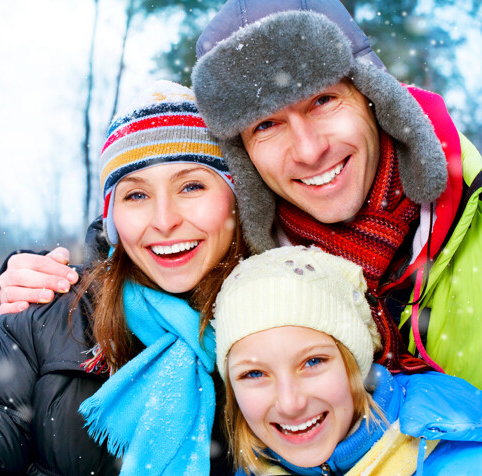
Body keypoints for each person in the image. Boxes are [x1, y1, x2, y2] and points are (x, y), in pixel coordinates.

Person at [0, 80, 247, 475]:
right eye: (136, 195)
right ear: (112, 221)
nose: (164, 221)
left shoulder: (280, 320)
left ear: (236, 197)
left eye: (191, 186)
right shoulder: (45, 319)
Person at [191, 0, 482, 385]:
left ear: (374, 96)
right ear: (243, 160)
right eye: (266, 124)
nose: (310, 150)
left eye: (323, 100)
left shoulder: (471, 214)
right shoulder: (234, 275)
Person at [212, 246, 482, 475]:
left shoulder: (463, 458)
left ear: (354, 362)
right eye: (254, 374)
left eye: (313, 362)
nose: (291, 403)